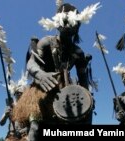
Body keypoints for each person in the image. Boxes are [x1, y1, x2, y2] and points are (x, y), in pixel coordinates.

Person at [12, 2, 99, 141]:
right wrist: (41, 75)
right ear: (58, 23)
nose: (68, 26)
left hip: (65, 91)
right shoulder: (46, 42)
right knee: (35, 128)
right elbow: (31, 62)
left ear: (77, 27)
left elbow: (83, 79)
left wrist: (87, 96)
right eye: (65, 22)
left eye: (72, 23)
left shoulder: (78, 52)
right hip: (41, 91)